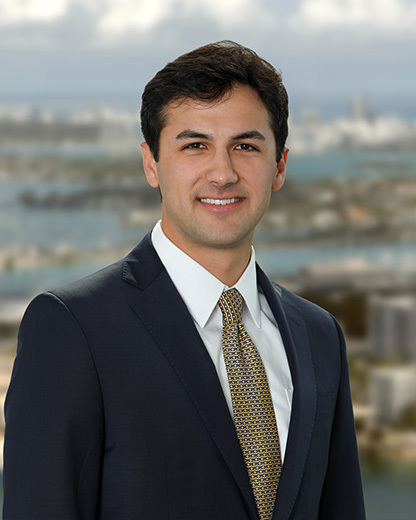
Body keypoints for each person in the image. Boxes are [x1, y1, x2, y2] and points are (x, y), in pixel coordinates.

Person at [3, 41, 366, 520]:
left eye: (246, 146)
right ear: (151, 163)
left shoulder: (319, 336)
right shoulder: (73, 328)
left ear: (279, 166)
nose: (223, 173)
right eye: (195, 145)